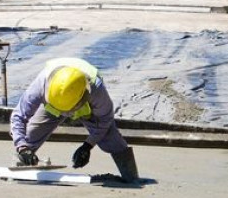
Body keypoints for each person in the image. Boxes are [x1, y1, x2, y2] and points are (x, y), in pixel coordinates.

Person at [10, 57, 140, 183]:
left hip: (85, 108)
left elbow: (105, 120)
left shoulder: (96, 89)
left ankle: (132, 178)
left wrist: (88, 145)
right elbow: (19, 116)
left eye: (68, 110)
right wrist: (23, 147)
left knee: (111, 138)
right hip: (53, 104)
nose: (65, 114)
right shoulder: (41, 85)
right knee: (30, 135)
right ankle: (19, 169)